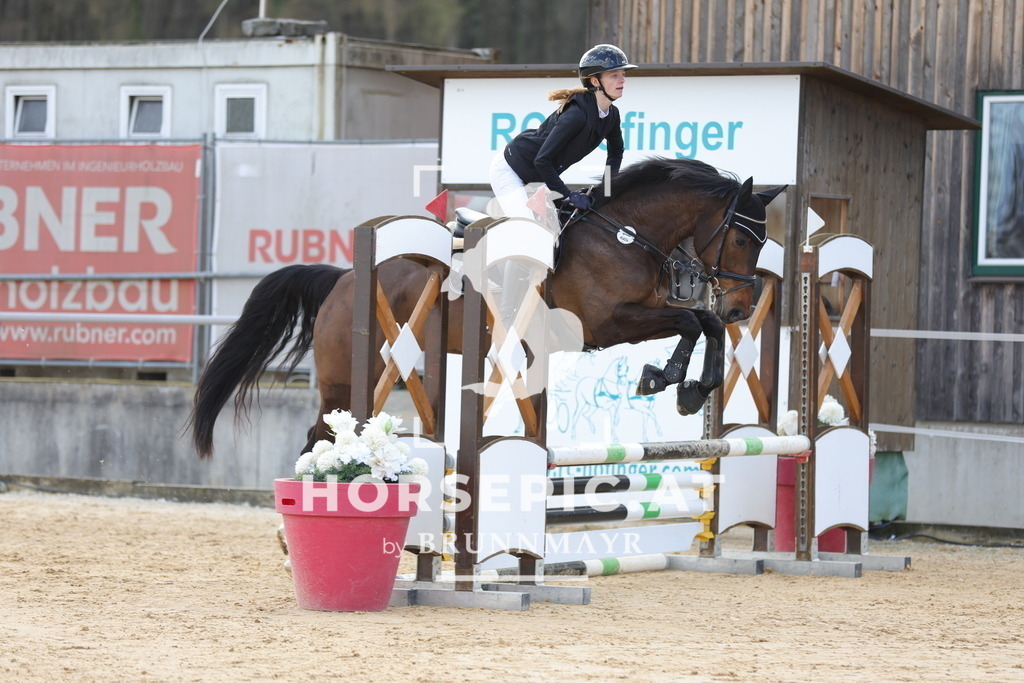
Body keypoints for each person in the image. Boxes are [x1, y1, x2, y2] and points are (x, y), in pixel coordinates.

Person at [488, 44, 636, 220]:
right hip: (510, 171)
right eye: (614, 76)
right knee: (526, 227)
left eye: (623, 75)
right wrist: (568, 195)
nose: (622, 80)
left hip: (537, 179)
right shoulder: (576, 115)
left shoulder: (612, 115)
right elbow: (542, 160)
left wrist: (607, 190)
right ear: (595, 81)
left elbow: (616, 152)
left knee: (556, 232)